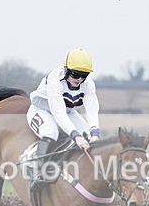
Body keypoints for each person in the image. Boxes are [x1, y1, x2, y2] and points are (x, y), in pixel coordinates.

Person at [26, 48, 100, 192]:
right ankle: (38, 173)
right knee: (51, 131)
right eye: (75, 74)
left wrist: (95, 134)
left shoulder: (88, 84)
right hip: (42, 110)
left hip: (67, 111)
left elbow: (92, 110)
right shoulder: (55, 79)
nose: (79, 79)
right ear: (66, 70)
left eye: (84, 75)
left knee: (86, 132)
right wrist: (76, 136)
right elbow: (58, 114)